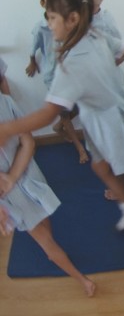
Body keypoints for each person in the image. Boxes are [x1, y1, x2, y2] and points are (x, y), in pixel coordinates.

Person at [0, 0, 124, 236]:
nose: (49, 25)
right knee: (100, 166)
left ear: (72, 18)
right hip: (98, 121)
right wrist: (103, 77)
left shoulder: (73, 64)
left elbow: (48, 113)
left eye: (52, 18)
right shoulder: (94, 35)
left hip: (116, 122)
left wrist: (8, 128)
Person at [0, 93, 96, 297]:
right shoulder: (6, 100)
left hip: (14, 186)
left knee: (45, 239)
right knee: (44, 231)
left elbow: (28, 142)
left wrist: (10, 178)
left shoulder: (5, 102)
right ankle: (72, 270)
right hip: (23, 178)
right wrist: (11, 177)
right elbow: (28, 143)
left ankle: (80, 278)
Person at [26, 0, 88, 164]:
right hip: (53, 77)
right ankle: (79, 148)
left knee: (82, 105)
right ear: (42, 3)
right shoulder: (40, 27)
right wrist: (31, 61)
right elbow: (34, 47)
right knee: (63, 110)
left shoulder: (70, 21)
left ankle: (60, 125)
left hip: (73, 73)